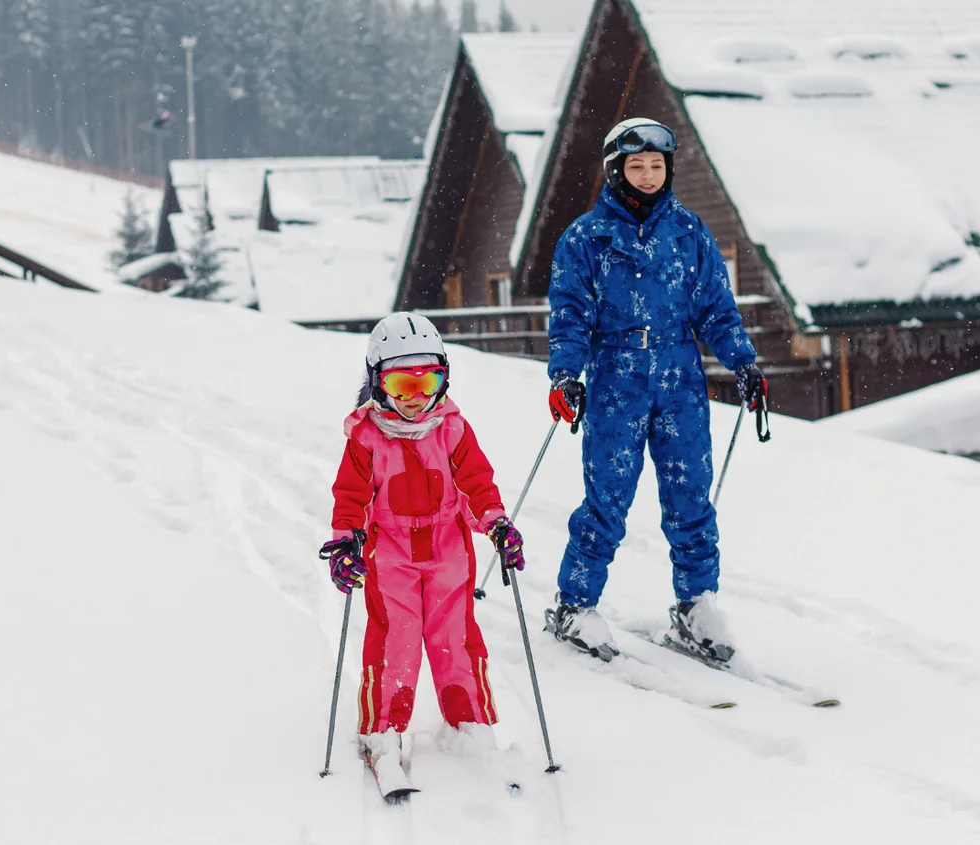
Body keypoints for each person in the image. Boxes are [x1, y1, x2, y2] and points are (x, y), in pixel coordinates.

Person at [543, 118, 767, 664]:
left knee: (690, 497)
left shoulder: (689, 233)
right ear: (616, 170)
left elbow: (716, 307)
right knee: (608, 500)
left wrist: (744, 363)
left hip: (680, 378)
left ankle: (696, 605)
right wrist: (566, 375)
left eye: (657, 166)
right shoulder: (586, 238)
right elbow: (569, 316)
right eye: (636, 166)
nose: (647, 175)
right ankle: (575, 603)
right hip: (616, 376)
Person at [321, 312, 526, 777]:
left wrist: (496, 524)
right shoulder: (366, 436)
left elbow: (477, 483)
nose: (416, 399)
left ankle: (470, 724)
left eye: (428, 381)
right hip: (390, 555)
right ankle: (383, 729)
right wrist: (346, 544)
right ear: (378, 382)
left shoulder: (452, 428)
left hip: (448, 553)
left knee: (456, 641)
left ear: (444, 376)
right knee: (397, 641)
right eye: (401, 384)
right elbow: (350, 497)